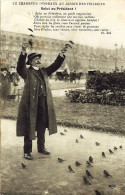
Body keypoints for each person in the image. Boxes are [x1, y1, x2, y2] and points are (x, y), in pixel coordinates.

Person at [16, 41, 73, 160]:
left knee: (41, 126)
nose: (38, 60)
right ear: (30, 61)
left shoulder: (44, 71)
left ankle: (41, 148)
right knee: (29, 127)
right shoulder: (26, 72)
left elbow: (55, 65)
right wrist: (23, 52)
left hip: (43, 105)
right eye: (35, 59)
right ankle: (27, 152)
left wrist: (61, 54)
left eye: (38, 58)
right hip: (30, 105)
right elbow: (19, 67)